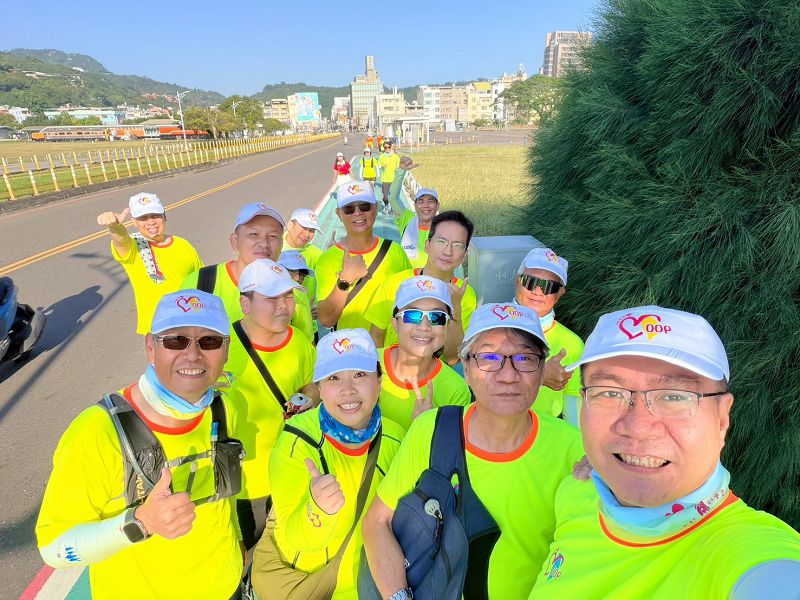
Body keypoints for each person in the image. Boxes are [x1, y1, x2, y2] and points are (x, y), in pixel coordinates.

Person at [528, 306, 800, 598]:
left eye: (674, 397)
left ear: (722, 418)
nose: (637, 427)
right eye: (609, 392)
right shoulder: (578, 492)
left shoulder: (745, 551)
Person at [362, 303, 584, 600]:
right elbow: (377, 522)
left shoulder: (574, 450)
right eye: (489, 358)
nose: (508, 375)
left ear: (542, 370)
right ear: (466, 369)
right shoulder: (431, 430)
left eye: (525, 358)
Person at [36, 290, 244, 599]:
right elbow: (53, 548)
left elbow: (223, 495)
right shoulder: (98, 430)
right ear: (150, 347)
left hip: (227, 586)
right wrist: (141, 523)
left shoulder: (224, 406)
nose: (193, 354)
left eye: (209, 341)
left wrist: (237, 542)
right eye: (176, 340)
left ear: (226, 351)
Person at [252, 329, 404, 600]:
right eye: (334, 377)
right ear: (319, 388)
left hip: (370, 585)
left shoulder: (397, 438)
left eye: (360, 374)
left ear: (379, 381)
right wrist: (318, 509)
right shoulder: (297, 441)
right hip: (313, 585)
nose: (348, 390)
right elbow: (297, 538)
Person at [224, 259, 319, 551]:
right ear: (245, 304)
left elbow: (312, 385)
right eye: (271, 298)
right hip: (241, 482)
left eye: (288, 296)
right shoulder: (220, 346)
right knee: (247, 555)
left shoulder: (300, 343)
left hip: (290, 472)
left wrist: (309, 400)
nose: (284, 306)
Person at [181, 202, 314, 340]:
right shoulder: (200, 283)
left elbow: (304, 346)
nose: (264, 243)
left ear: (282, 245)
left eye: (273, 236)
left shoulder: (293, 295)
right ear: (235, 241)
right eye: (254, 234)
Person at [366, 210, 477, 364]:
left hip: (436, 376)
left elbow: (452, 358)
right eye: (441, 241)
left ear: (464, 255)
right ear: (427, 245)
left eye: (457, 245)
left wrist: (454, 312)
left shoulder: (465, 295)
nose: (448, 251)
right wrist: (380, 372)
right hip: (391, 372)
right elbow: (377, 335)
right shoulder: (394, 283)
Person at [97, 192, 202, 334]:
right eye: (143, 218)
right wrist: (115, 226)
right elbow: (120, 240)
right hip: (159, 329)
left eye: (155, 215)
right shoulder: (134, 247)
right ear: (134, 222)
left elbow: (203, 281)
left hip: (193, 322)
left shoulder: (183, 244)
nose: (151, 222)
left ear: (164, 216)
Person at [377, 275, 471, 431]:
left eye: (437, 317)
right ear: (395, 324)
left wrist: (428, 427)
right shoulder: (367, 365)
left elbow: (452, 444)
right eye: (412, 315)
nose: (424, 326)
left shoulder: (455, 390)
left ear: (446, 326)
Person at [316, 181, 410, 331]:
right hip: (351, 345)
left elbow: (411, 298)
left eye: (365, 206)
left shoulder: (395, 251)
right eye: (349, 208)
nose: (358, 213)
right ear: (339, 214)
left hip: (391, 344)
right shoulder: (327, 260)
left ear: (376, 208)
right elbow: (327, 320)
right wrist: (345, 279)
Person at [515, 247, 584, 425]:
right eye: (531, 281)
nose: (538, 291)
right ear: (518, 281)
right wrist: (541, 374)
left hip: (547, 429)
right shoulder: (492, 327)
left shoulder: (572, 343)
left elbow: (572, 403)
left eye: (549, 286)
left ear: (560, 293)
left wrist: (574, 438)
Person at [397, 188, 439, 269]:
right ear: (415, 206)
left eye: (430, 201)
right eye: (421, 202)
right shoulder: (407, 219)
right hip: (408, 275)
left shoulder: (444, 229)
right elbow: (393, 199)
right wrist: (399, 178)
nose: (425, 205)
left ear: (438, 206)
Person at [377, 140, 400, 214]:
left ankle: (393, 208)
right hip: (385, 179)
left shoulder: (396, 156)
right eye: (385, 147)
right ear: (383, 148)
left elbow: (398, 167)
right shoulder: (381, 157)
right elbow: (379, 166)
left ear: (391, 147)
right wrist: (382, 166)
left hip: (394, 179)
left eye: (388, 147)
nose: (387, 149)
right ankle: (386, 205)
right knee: (385, 196)